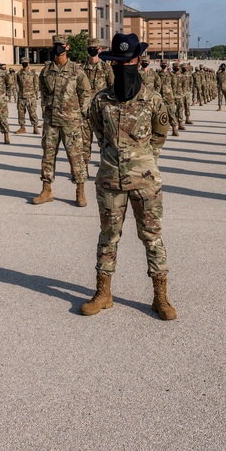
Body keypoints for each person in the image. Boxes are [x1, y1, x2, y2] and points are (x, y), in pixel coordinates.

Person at [82, 32, 175, 320]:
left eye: (129, 61)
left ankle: (160, 297)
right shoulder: (101, 101)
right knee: (108, 237)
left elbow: (160, 136)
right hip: (110, 180)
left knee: (152, 237)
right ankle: (103, 293)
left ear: (137, 60)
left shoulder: (153, 99)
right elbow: (99, 132)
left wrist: (143, 160)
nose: (124, 67)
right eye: (118, 63)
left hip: (146, 181)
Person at [33, 35, 90, 207]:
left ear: (67, 47)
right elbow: (43, 92)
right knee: (48, 156)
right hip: (51, 121)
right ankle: (47, 189)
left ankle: (80, 191)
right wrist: (45, 110)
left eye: (61, 45)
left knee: (76, 157)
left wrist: (80, 113)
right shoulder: (46, 70)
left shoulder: (76, 71)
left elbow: (85, 93)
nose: (58, 48)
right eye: (56, 45)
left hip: (71, 122)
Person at [15, 59, 39, 134]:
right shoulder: (19, 74)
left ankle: (35, 128)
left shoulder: (33, 74)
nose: (24, 64)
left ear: (28, 63)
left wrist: (33, 94)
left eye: (25, 63)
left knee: (32, 113)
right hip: (21, 96)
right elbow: (17, 83)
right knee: (21, 113)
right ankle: (22, 128)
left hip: (30, 97)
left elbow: (36, 85)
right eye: (23, 63)